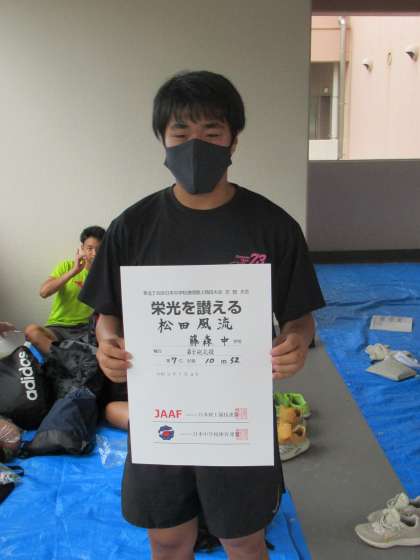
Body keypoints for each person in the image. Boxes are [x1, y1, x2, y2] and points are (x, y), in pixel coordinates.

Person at [80, 71, 325, 560]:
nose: (196, 146)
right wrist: (107, 343)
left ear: (234, 140)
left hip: (238, 415)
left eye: (212, 132)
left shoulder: (272, 226)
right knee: (168, 539)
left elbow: (299, 316)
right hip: (160, 412)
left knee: (243, 540)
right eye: (181, 133)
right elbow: (108, 313)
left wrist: (296, 341)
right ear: (163, 140)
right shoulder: (132, 228)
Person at [25, 226, 105, 347]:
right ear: (82, 248)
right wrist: (74, 271)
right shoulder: (66, 266)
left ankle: (65, 352)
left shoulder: (106, 274)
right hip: (57, 328)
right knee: (31, 331)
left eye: (99, 249)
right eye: (90, 248)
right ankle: (67, 353)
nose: (94, 253)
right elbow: (44, 292)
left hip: (87, 330)